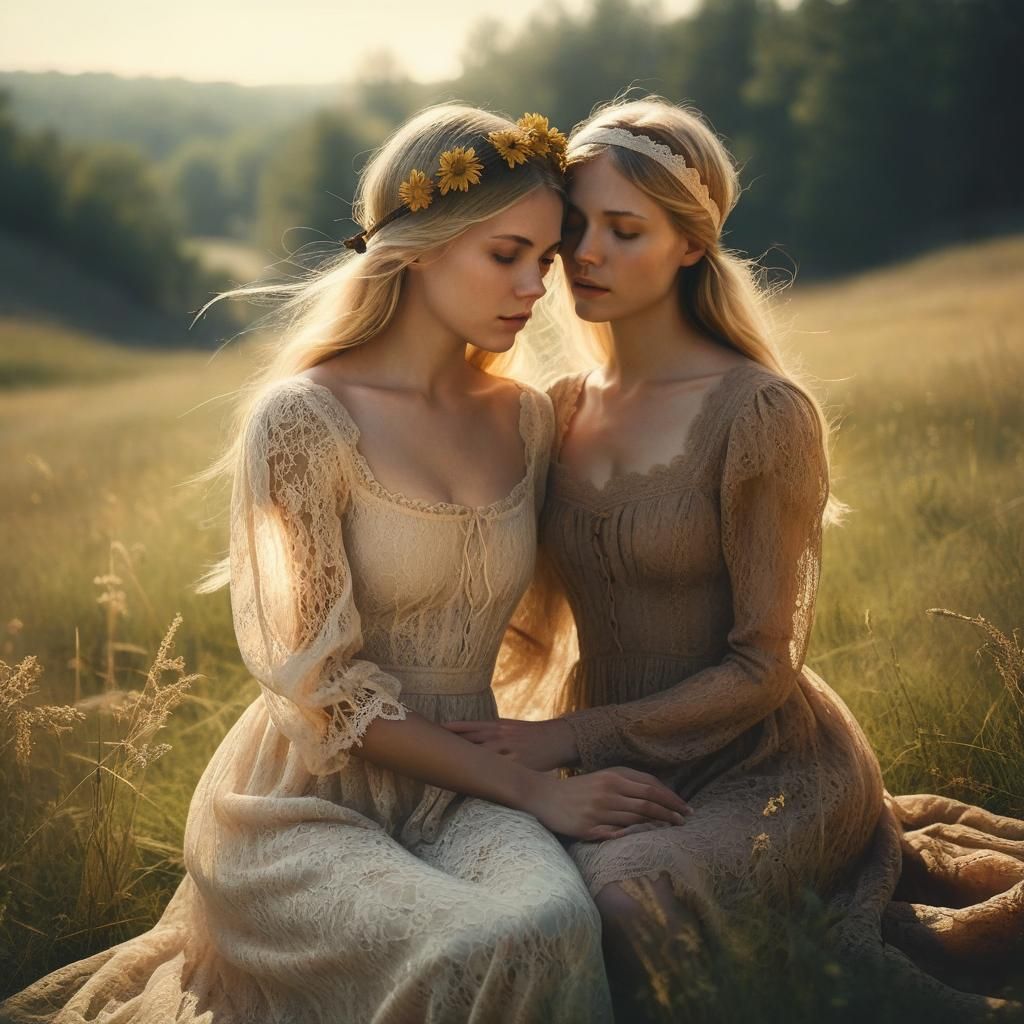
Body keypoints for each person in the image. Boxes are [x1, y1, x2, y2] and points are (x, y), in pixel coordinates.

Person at [1, 103, 698, 1024]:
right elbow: (324, 694)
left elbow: (611, 576)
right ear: (418, 245)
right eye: (507, 254)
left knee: (548, 925)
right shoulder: (301, 421)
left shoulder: (527, 420)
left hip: (466, 784)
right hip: (303, 801)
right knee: (476, 946)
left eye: (547, 257)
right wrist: (536, 791)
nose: (537, 285)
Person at [446, 97, 1024, 1022]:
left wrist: (566, 741)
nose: (585, 255)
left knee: (622, 904)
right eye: (575, 230)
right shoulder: (552, 409)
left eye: (624, 230)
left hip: (761, 760)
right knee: (490, 902)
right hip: (594, 747)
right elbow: (498, 596)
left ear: (689, 244)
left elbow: (764, 664)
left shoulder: (760, 414)